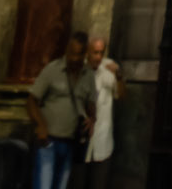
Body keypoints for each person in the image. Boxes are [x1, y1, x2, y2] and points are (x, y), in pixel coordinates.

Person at [27, 31, 96, 189]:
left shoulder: (88, 75)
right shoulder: (52, 70)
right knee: (44, 185)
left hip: (71, 142)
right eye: (71, 53)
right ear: (66, 50)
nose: (74, 58)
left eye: (78, 54)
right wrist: (40, 125)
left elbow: (91, 103)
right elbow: (31, 101)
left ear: (85, 54)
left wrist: (92, 119)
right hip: (48, 141)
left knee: (61, 185)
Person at [81, 37, 124, 186]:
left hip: (102, 139)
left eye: (101, 52)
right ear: (87, 52)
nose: (99, 57)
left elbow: (121, 96)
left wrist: (118, 75)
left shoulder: (109, 67)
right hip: (81, 138)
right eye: (95, 52)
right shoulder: (80, 68)